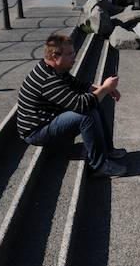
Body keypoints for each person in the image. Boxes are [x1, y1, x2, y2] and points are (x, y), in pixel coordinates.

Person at [17, 34, 127, 177]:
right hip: (36, 132)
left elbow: (79, 85)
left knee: (94, 101)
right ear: (55, 56)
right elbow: (82, 105)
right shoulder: (48, 79)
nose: (74, 58)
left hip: (50, 118)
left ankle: (108, 150)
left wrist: (102, 89)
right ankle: (99, 166)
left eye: (73, 53)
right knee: (86, 115)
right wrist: (105, 89)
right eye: (69, 54)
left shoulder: (53, 69)